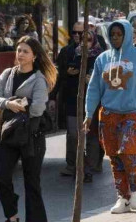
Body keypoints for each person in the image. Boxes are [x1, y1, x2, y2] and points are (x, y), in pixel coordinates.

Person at [84, 20, 136, 214]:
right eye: (113, 34)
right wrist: (88, 113)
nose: (116, 37)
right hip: (108, 114)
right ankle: (122, 197)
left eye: (119, 34)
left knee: (128, 152)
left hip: (133, 113)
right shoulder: (102, 59)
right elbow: (93, 89)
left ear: (126, 35)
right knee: (114, 156)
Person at [0, 36, 56, 222]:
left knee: (32, 184)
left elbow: (37, 108)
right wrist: (9, 103)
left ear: (34, 56)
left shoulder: (39, 80)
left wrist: (20, 104)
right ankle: (12, 216)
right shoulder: (7, 74)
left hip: (32, 136)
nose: (20, 54)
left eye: (25, 51)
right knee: (1, 176)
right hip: (9, 133)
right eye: (19, 50)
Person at [55, 23, 101, 182]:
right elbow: (59, 75)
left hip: (93, 102)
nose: (82, 41)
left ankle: (90, 167)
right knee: (74, 135)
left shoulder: (100, 57)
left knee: (92, 136)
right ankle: (75, 165)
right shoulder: (71, 53)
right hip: (72, 101)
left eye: (87, 38)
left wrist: (94, 80)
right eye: (80, 37)